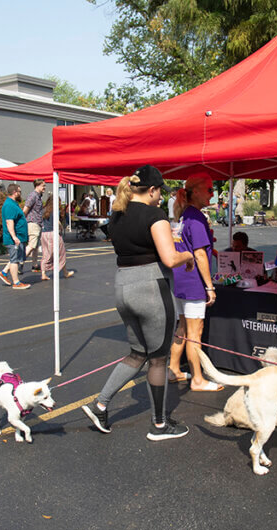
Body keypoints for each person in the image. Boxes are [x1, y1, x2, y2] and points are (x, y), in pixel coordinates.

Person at [80, 165, 195, 440]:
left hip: (123, 286)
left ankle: (100, 405)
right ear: (153, 190)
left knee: (137, 353)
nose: (160, 198)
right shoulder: (155, 215)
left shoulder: (117, 214)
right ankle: (159, 424)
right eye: (159, 193)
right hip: (151, 288)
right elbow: (169, 258)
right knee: (158, 359)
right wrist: (188, 256)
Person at [167, 174, 221, 392]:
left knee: (182, 327)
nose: (212, 194)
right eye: (209, 189)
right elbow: (199, 255)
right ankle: (197, 379)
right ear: (195, 191)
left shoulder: (184, 216)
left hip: (180, 281)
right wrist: (209, 286)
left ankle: (174, 369)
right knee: (194, 332)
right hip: (193, 283)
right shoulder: (196, 217)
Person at [0, 184, 31, 290]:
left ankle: (4, 273)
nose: (21, 194)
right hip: (13, 239)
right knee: (14, 260)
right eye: (19, 192)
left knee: (15, 259)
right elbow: (9, 222)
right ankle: (16, 282)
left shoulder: (13, 204)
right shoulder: (9, 205)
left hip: (19, 237)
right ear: (15, 192)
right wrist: (14, 236)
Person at [39, 194, 75, 280]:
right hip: (53, 234)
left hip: (44, 234)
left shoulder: (43, 210)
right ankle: (65, 272)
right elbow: (57, 222)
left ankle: (43, 273)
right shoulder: (56, 211)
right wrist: (61, 227)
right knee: (61, 253)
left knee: (46, 253)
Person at [22, 179, 46, 273]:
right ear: (37, 185)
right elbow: (25, 210)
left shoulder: (38, 196)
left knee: (35, 246)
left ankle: (35, 265)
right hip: (33, 223)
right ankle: (19, 262)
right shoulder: (33, 196)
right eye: (43, 185)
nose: (44, 187)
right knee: (31, 245)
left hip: (38, 223)